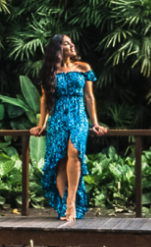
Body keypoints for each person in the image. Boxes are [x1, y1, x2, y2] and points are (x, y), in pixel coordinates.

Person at [29, 34, 108, 222]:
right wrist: (42, 125)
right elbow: (45, 99)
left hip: (78, 117)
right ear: (57, 49)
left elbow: (89, 97)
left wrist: (95, 123)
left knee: (75, 152)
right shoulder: (50, 71)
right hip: (57, 119)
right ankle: (64, 204)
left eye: (72, 42)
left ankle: (72, 203)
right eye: (66, 43)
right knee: (60, 161)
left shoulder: (83, 68)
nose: (72, 45)